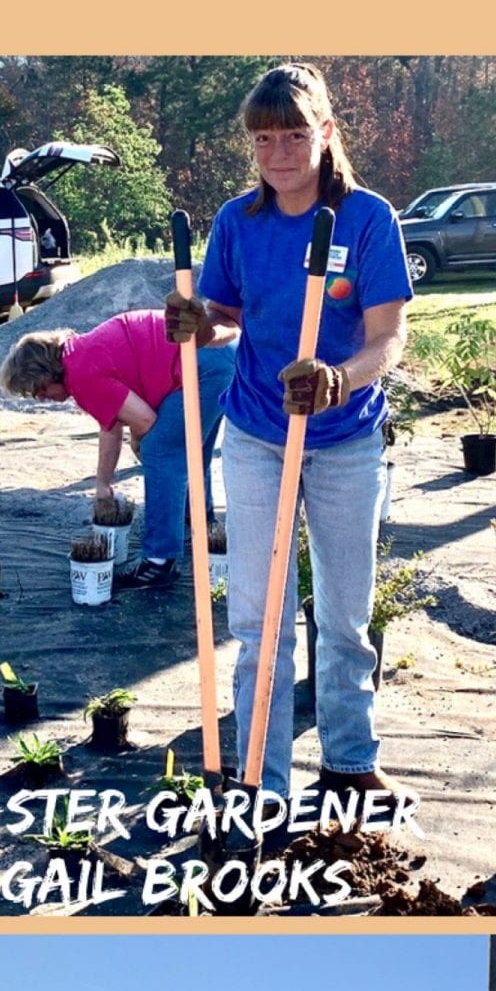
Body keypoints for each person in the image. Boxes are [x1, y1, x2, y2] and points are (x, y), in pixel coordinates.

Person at [166, 63, 413, 797]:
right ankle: (257, 781)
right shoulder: (237, 223)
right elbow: (223, 316)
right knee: (257, 621)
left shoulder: (367, 218)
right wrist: (193, 321)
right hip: (256, 437)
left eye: (295, 134)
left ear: (326, 133)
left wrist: (341, 378)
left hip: (345, 442)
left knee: (343, 620)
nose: (279, 153)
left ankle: (350, 762)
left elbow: (388, 336)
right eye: (264, 138)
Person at [0, 310, 236, 590]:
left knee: (160, 451)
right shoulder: (80, 354)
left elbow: (144, 420)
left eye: (37, 390)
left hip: (202, 364)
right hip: (219, 354)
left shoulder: (82, 374)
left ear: (45, 373)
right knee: (191, 450)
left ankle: (158, 563)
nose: (40, 398)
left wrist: (139, 445)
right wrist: (103, 483)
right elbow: (110, 425)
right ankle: (198, 522)